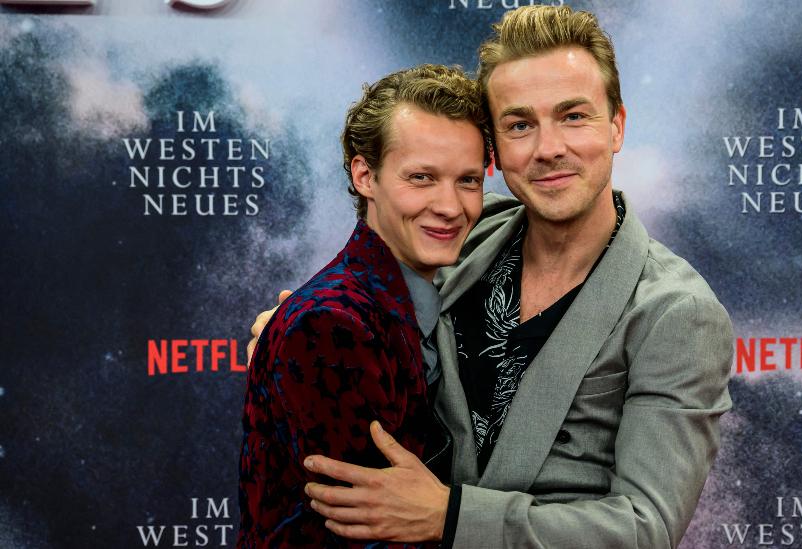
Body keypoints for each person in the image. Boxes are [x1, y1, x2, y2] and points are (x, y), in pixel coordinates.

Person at [252, 6, 733, 548]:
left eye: (574, 116)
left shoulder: (676, 311)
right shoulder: (468, 233)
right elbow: (365, 319)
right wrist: (292, 337)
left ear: (617, 125)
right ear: (495, 152)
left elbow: (646, 529)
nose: (549, 148)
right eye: (520, 124)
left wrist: (451, 516)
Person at [236, 64, 490, 548]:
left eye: (468, 181)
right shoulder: (332, 325)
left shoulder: (425, 296)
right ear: (365, 175)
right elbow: (365, 535)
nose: (450, 205)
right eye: (421, 178)